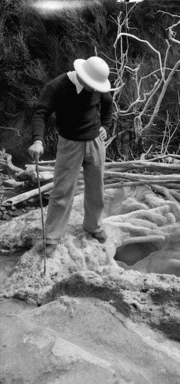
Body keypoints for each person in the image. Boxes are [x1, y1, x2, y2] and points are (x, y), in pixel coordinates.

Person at [28, 56, 113, 257]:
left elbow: (108, 105)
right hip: (69, 144)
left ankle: (93, 226)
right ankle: (52, 237)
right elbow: (40, 113)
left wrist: (106, 127)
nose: (96, 88)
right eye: (93, 84)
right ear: (83, 76)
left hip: (95, 142)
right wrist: (38, 140)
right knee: (62, 191)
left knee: (96, 188)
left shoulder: (98, 86)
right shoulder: (57, 86)